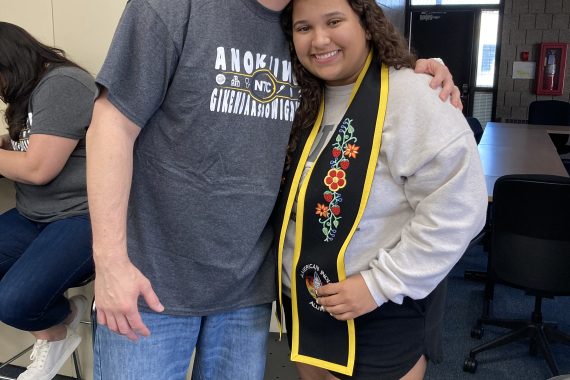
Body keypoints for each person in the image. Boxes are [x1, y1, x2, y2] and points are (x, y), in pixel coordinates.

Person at [85, 0, 461, 379]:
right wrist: (110, 262)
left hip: (248, 290)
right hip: (151, 283)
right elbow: (111, 124)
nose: (318, 35)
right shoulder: (174, 7)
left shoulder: (300, 21)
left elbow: (356, 77)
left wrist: (414, 72)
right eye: (308, 29)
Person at [274, 0, 488, 379]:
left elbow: (460, 210)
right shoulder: (297, 97)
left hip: (378, 312)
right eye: (303, 27)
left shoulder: (415, 96)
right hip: (304, 310)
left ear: (368, 25)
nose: (319, 39)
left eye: (334, 21)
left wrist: (378, 284)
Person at [0, 22, 96, 380]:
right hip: (34, 214)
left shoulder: (62, 84)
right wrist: (9, 144)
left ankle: (60, 328)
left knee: (13, 302)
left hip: (80, 216)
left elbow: (39, 168)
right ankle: (59, 321)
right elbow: (40, 141)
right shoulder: (30, 92)